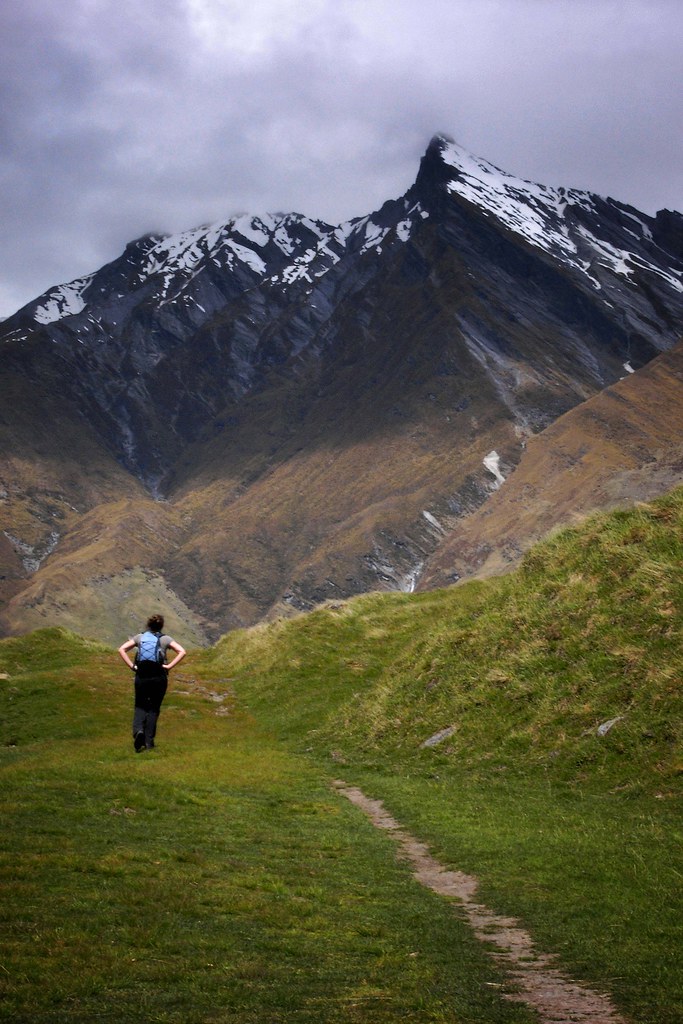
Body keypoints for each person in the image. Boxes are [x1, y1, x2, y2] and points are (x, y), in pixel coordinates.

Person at [118, 614, 186, 752]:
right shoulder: (165, 639)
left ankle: (138, 731)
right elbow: (182, 651)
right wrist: (169, 666)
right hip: (159, 676)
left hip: (142, 675)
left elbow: (122, 649)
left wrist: (132, 666)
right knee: (154, 708)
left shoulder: (139, 637)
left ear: (148, 625)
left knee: (140, 705)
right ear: (161, 626)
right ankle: (149, 742)